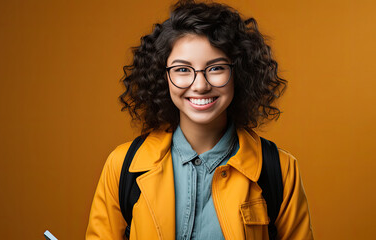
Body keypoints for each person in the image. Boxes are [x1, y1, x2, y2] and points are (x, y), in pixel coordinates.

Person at [86, 0, 314, 239]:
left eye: (216, 68)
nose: (201, 85)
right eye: (182, 70)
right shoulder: (122, 166)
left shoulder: (280, 170)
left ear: (240, 72)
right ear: (162, 76)